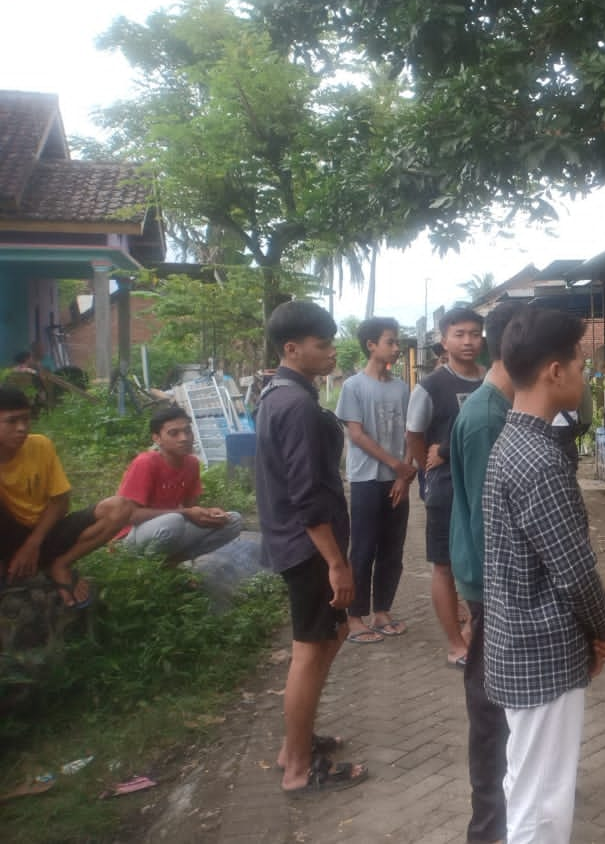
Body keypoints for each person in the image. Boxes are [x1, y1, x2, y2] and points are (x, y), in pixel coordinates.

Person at [483, 307, 605, 844]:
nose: (586, 373)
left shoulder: (512, 442)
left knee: (528, 786)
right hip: (540, 651)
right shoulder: (540, 458)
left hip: (519, 645)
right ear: (553, 371)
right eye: (581, 361)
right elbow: (573, 571)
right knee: (543, 805)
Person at [254, 300, 366, 795]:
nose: (331, 353)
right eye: (322, 345)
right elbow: (307, 495)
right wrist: (337, 563)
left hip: (299, 545)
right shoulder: (295, 405)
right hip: (309, 550)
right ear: (292, 349)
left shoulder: (278, 394)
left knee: (326, 641)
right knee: (309, 651)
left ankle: (295, 744)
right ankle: (298, 769)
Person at [448, 301, 528, 844]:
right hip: (490, 581)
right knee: (488, 701)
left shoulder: (503, 407)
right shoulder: (484, 419)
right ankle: (488, 823)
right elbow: (485, 518)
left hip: (494, 579)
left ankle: (511, 802)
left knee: (501, 697)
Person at [1, 385, 132, 608]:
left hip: (45, 533)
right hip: (7, 536)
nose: (22, 428)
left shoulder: (40, 445)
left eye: (26, 419)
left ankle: (60, 565)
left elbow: (60, 501)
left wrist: (32, 543)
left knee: (120, 507)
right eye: (12, 421)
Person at [407, 307, 485, 668]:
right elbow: (414, 436)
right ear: (444, 339)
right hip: (447, 490)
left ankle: (478, 631)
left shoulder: (493, 380)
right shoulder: (430, 387)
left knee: (484, 561)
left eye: (474, 333)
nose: (468, 341)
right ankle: (456, 644)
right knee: (444, 565)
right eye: (459, 334)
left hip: (485, 487)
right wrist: (428, 475)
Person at [334, 317, 415, 644]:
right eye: (390, 342)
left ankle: (382, 611)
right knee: (364, 549)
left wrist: (405, 474)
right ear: (371, 345)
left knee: (392, 550)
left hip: (398, 481)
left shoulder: (401, 388)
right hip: (367, 480)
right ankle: (354, 617)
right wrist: (398, 465)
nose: (396, 348)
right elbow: (356, 434)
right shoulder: (353, 386)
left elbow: (412, 432)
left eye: (396, 343)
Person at [117, 405, 244, 565]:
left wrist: (207, 513)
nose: (184, 438)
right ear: (157, 438)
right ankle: (143, 572)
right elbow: (129, 516)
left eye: (187, 431)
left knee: (232, 520)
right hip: (129, 537)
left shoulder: (191, 463)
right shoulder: (146, 462)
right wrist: (186, 512)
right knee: (173, 521)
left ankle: (171, 564)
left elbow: (191, 509)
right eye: (174, 433)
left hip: (167, 530)